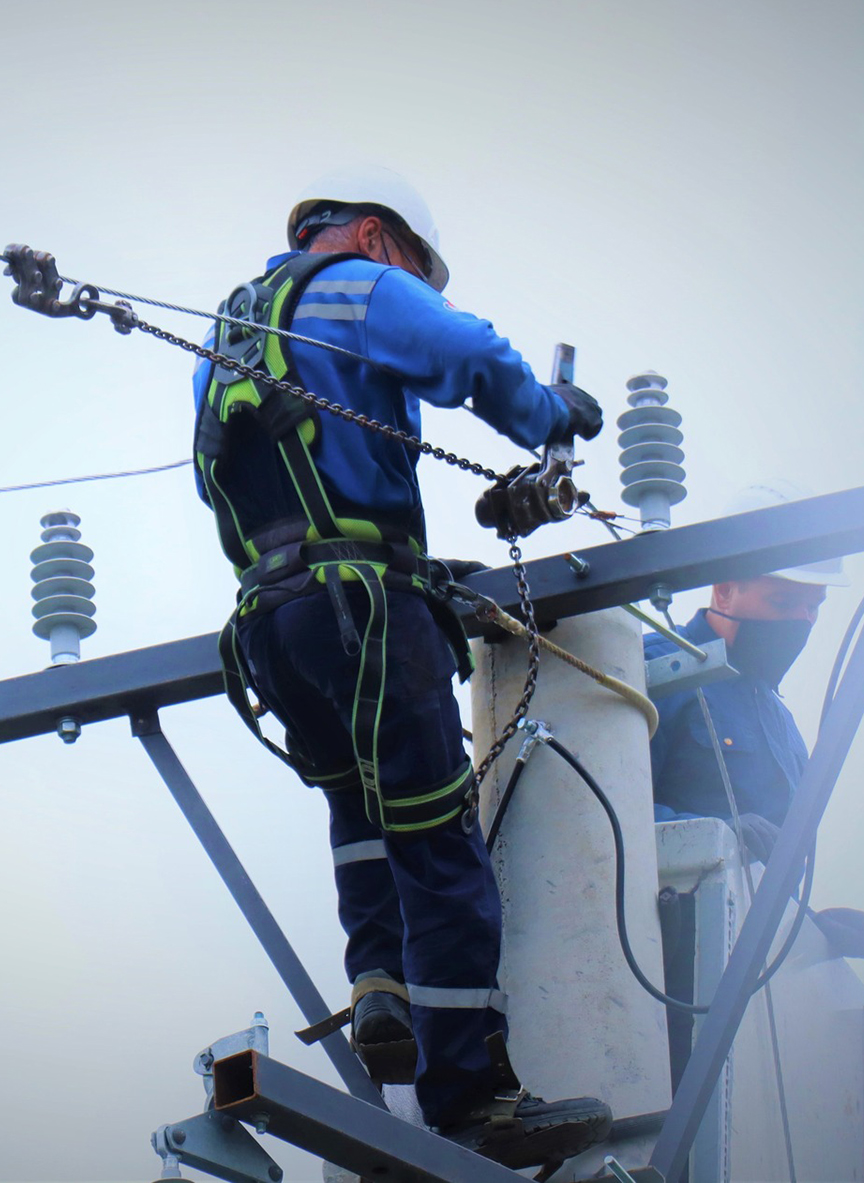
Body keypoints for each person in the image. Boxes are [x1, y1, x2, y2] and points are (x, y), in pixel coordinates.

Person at [193, 166, 608, 1168]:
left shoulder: (226, 331)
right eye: (421, 269)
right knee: (438, 841)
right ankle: (475, 1099)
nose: (421, 287)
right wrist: (551, 413)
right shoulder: (355, 285)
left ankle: (379, 981)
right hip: (367, 613)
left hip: (275, 622)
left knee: (360, 807)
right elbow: (466, 352)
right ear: (379, 237)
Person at [645, 482, 864, 969]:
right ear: (724, 588)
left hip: (741, 978)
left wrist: (809, 927)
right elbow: (598, 819)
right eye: (783, 603)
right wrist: (717, 836)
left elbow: (764, 862)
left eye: (814, 606)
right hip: (664, 969)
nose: (802, 621)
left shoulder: (776, 718)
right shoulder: (655, 671)